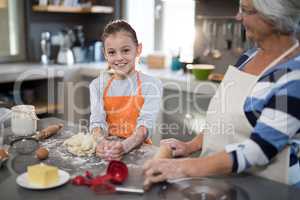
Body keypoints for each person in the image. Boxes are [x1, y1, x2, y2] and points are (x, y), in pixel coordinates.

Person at [144, 0, 300, 189]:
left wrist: (184, 167)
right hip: (222, 180)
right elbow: (224, 118)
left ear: (273, 17)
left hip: (265, 187)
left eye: (245, 10)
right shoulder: (249, 57)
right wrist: (191, 146)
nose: (238, 17)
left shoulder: (293, 77)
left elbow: (258, 150)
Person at [89, 20, 162, 161]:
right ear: (105, 54)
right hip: (109, 152)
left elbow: (145, 126)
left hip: (141, 153)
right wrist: (100, 143)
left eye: (126, 50)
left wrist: (124, 146)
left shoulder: (151, 85)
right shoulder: (97, 85)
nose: (119, 58)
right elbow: (97, 122)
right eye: (112, 52)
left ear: (138, 49)